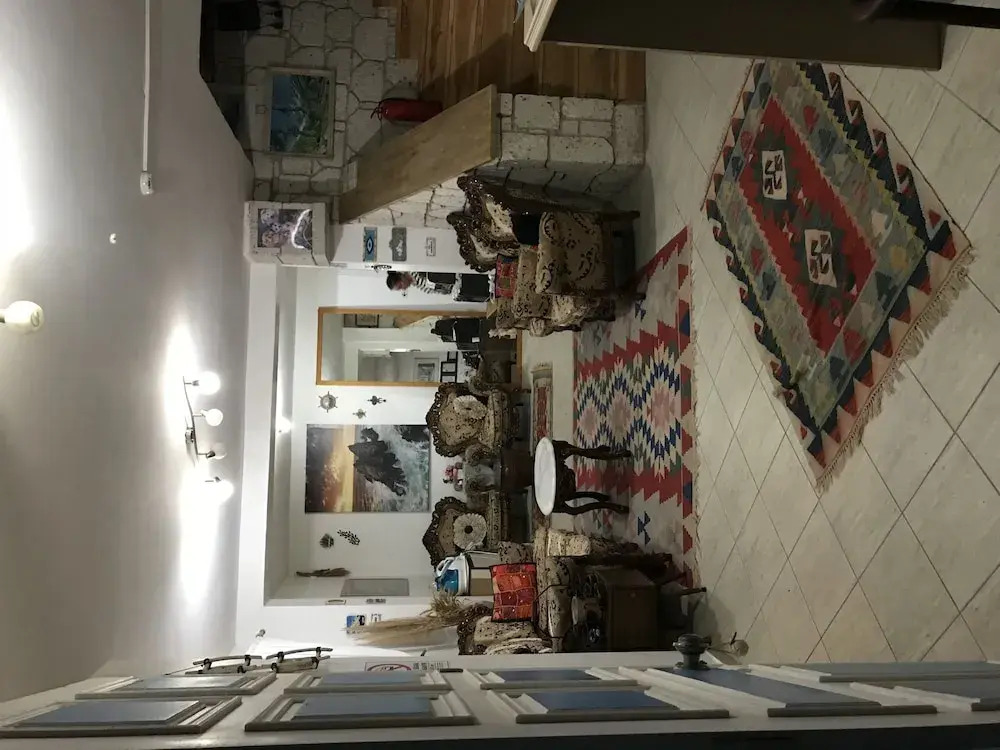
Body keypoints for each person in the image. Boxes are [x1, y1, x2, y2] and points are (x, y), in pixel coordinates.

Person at [386, 271, 491, 303]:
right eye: (400, 289)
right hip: (462, 289)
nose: (404, 288)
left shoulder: (417, 270)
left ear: (400, 276)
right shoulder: (419, 286)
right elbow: (440, 291)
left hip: (463, 275)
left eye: (400, 286)